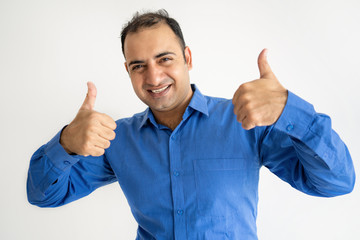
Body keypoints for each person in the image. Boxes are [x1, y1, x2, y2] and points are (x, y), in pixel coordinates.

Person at [27, 9, 355, 240]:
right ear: (127, 70)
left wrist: (291, 112)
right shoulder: (118, 139)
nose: (153, 77)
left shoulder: (246, 121)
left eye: (164, 59)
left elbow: (336, 182)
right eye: (139, 65)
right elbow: (43, 195)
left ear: (188, 58)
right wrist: (67, 142)